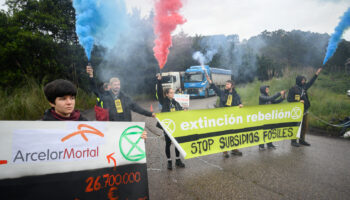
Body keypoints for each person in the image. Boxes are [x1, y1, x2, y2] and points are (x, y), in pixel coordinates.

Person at [42, 79, 147, 139]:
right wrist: (91, 77)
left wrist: (135, 136)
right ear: (51, 102)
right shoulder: (43, 128)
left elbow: (105, 136)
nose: (69, 102)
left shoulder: (83, 121)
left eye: (72, 98)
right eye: (63, 99)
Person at [86, 66, 155, 121]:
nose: (117, 86)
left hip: (125, 126)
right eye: (115, 84)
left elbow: (137, 108)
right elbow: (94, 89)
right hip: (112, 128)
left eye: (118, 84)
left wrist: (150, 114)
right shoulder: (105, 96)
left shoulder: (125, 97)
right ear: (110, 86)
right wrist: (91, 76)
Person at [206, 74, 244, 158]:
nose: (226, 85)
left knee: (233, 133)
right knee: (224, 134)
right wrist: (210, 81)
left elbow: (239, 103)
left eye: (228, 84)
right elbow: (215, 88)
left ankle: (234, 149)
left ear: (232, 86)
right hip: (223, 118)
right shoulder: (222, 93)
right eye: (226, 84)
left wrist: (240, 105)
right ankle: (225, 151)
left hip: (232, 118)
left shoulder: (236, 95)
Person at [156, 74, 186, 170]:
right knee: (168, 144)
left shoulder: (175, 102)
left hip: (176, 126)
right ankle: (169, 161)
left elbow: (180, 110)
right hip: (167, 127)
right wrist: (159, 81)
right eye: (171, 93)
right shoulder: (163, 101)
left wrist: (183, 111)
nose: (173, 94)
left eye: (173, 92)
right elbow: (159, 92)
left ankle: (178, 160)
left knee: (177, 143)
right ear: (167, 94)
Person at [287, 68, 322, 147]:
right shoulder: (293, 89)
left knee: (304, 126)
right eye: (303, 80)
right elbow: (289, 99)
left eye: (304, 80)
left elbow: (311, 82)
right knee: (297, 126)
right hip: (297, 111)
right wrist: (298, 102)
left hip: (305, 110)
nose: (304, 81)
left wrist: (316, 74)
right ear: (299, 80)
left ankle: (302, 140)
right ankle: (293, 141)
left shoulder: (304, 87)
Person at [258, 85, 286, 150]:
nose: (268, 90)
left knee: (269, 131)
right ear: (263, 90)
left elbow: (275, 102)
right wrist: (279, 93)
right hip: (263, 117)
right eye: (267, 89)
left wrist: (282, 98)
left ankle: (269, 145)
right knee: (263, 131)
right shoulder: (261, 96)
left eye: (268, 89)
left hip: (269, 117)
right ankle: (261, 146)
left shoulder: (268, 96)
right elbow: (270, 99)